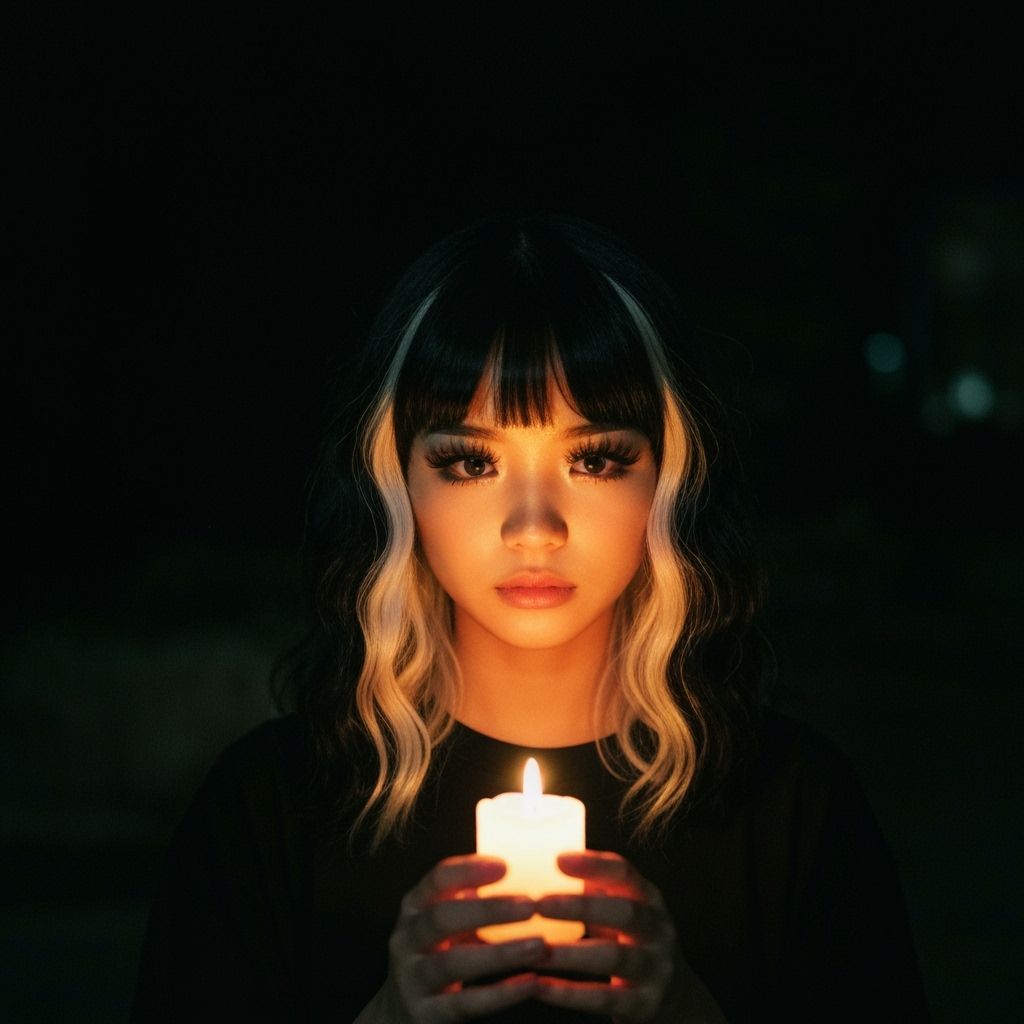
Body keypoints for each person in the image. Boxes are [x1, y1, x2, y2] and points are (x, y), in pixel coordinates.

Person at [131, 215, 929, 1022]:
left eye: (596, 459)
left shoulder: (790, 809)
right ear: (397, 484)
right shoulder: (270, 814)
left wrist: (688, 1011)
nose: (534, 526)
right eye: (471, 462)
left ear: (670, 480)